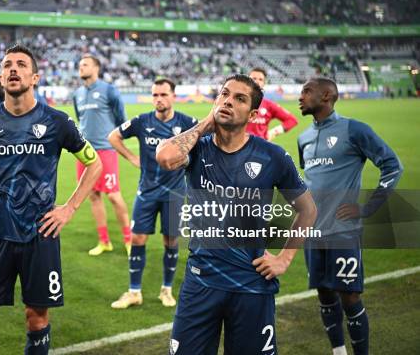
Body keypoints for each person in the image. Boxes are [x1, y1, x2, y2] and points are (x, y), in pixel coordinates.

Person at [0, 45, 102, 355]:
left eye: (21, 64)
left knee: (36, 319)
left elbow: (94, 163)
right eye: (7, 65)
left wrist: (69, 208)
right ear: (1, 76)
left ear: (35, 77)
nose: (13, 69)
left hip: (40, 236)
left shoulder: (57, 122)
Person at [156, 74, 317, 354]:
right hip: (201, 281)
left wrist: (284, 258)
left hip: (251, 285)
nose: (229, 101)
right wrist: (206, 123)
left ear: (253, 114)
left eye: (239, 98)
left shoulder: (273, 156)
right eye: (224, 94)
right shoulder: (197, 149)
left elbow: (308, 209)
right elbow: (166, 157)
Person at [297, 77, 403, 355]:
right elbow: (310, 181)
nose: (301, 96)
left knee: (349, 297)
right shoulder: (303, 138)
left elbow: (392, 165)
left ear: (327, 95)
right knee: (323, 292)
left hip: (343, 231)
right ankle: (338, 352)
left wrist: (368, 207)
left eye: (307, 91)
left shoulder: (354, 130)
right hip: (314, 232)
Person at [108, 78, 196, 309]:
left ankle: (166, 290)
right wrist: (131, 157)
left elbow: (207, 144)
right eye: (155, 95)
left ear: (173, 96)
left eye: (163, 95)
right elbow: (113, 137)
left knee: (171, 240)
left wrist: (189, 162)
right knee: (137, 238)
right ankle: (134, 292)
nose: (159, 99)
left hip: (175, 192)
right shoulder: (142, 121)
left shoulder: (187, 123)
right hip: (147, 190)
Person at [73, 54, 132, 256]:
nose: (81, 68)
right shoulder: (78, 93)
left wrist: (115, 139)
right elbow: (80, 118)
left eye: (85, 64)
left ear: (96, 68)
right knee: (93, 196)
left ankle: (128, 239)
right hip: (84, 153)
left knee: (114, 196)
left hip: (105, 150)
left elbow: (121, 119)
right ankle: (104, 241)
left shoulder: (109, 90)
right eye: (80, 65)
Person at [246, 67, 298, 141]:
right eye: (254, 78)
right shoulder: (236, 102)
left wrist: (273, 132)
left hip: (260, 148)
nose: (257, 81)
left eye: (260, 79)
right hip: (238, 149)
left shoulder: (268, 105)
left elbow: (291, 120)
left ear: (264, 83)